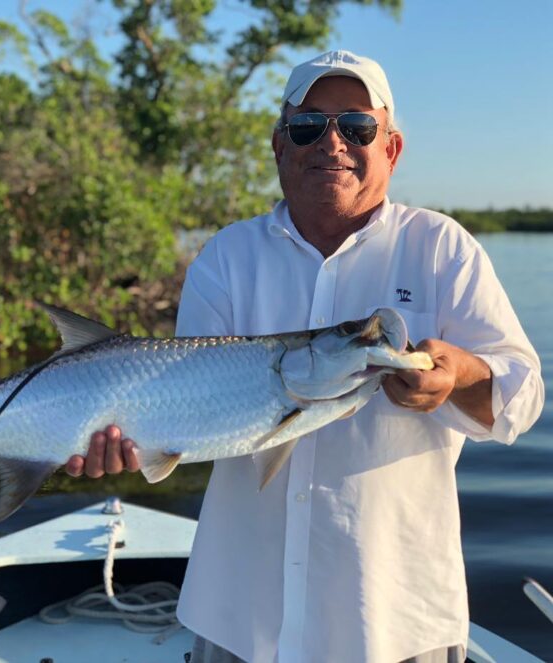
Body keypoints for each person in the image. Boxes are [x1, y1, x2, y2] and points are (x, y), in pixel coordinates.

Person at [65, 50, 544, 663]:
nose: (332, 142)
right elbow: (177, 414)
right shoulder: (227, 257)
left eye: (357, 127)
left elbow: (522, 399)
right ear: (279, 146)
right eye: (308, 126)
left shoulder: (441, 249)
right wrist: (117, 442)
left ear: (391, 149)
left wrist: (462, 376)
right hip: (240, 613)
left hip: (395, 620)